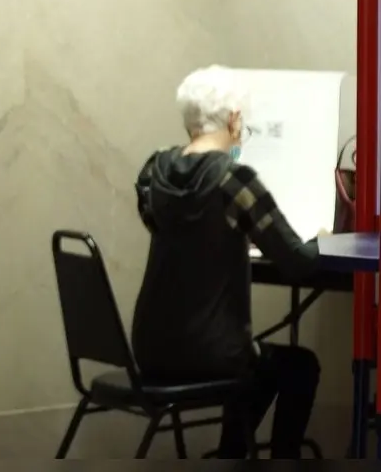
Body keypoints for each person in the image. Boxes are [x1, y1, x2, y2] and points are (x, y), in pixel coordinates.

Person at [131, 65, 321, 459]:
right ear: (235, 120)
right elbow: (297, 262)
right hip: (212, 355)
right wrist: (324, 240)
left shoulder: (153, 173)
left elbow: (170, 228)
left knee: (257, 363)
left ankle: (232, 453)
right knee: (298, 365)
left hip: (150, 351)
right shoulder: (233, 179)